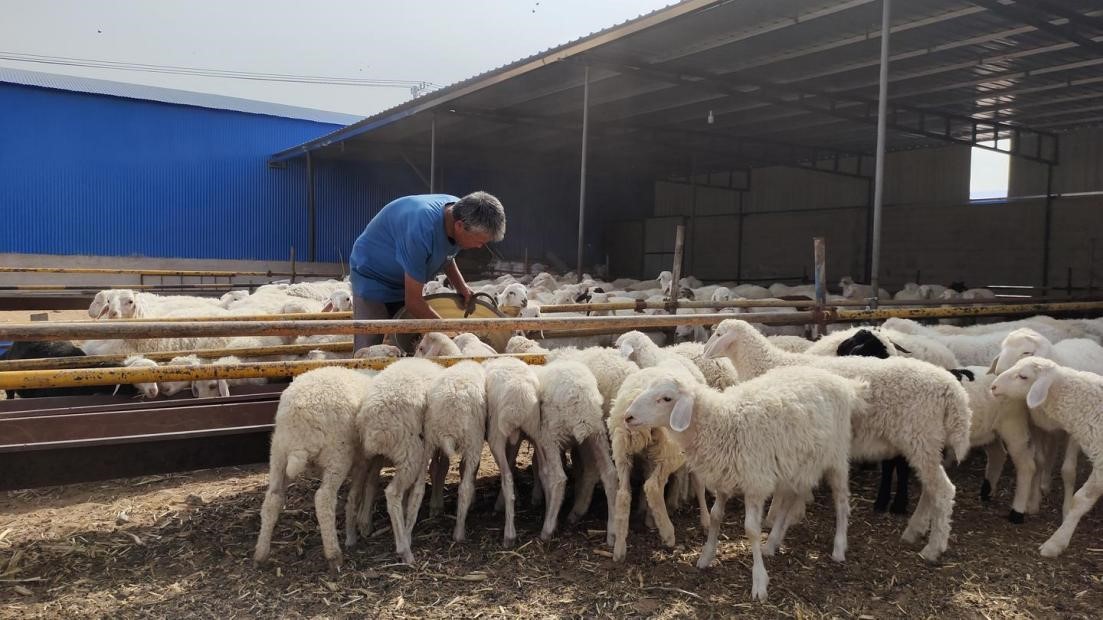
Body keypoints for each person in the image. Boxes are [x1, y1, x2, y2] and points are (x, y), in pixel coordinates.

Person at [348, 191, 506, 351]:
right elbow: (414, 302)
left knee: (405, 340)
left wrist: (461, 287)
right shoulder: (421, 230)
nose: (480, 246)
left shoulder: (462, 212)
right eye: (479, 241)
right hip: (373, 276)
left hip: (405, 278)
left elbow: (446, 254)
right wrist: (453, 336)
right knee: (369, 347)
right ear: (459, 226)